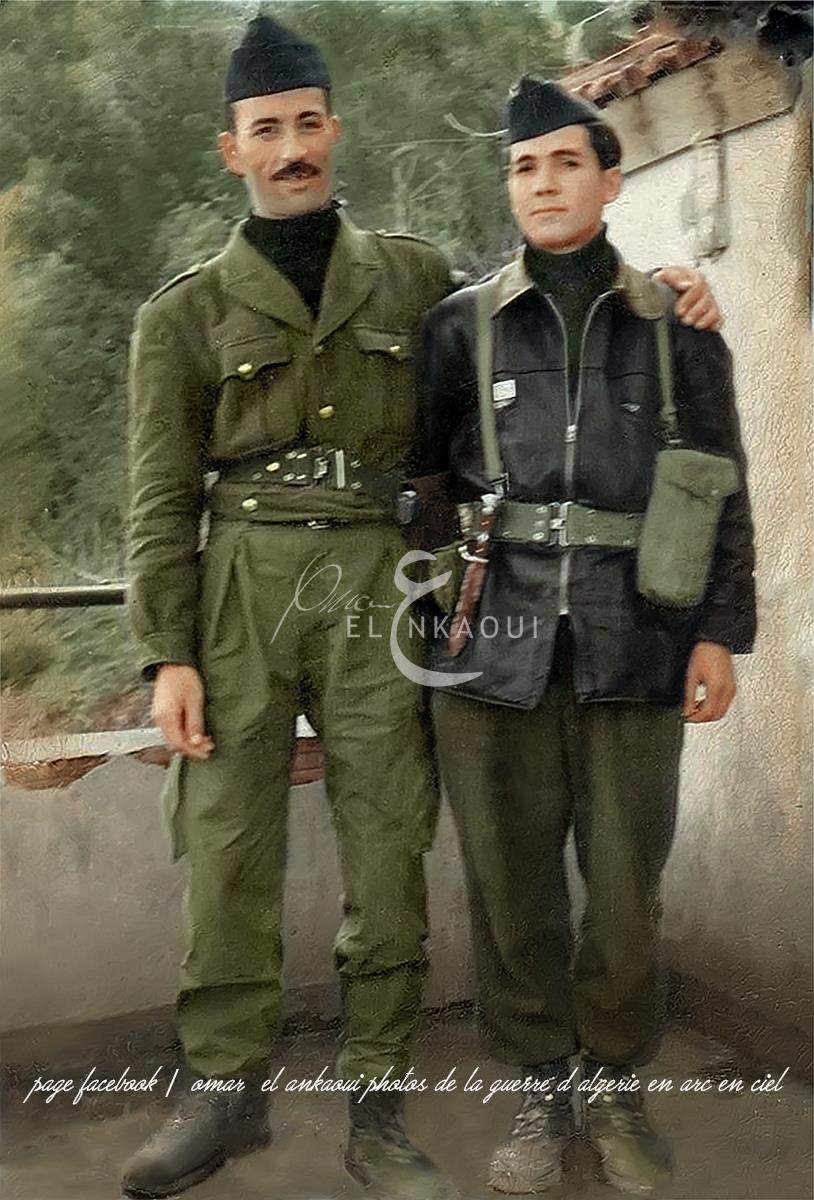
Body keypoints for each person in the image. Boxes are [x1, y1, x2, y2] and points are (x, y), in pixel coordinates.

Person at [123, 12, 723, 1196]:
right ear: (230, 148)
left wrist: (661, 284)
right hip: (239, 588)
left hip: (379, 586)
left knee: (389, 856)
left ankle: (379, 1114)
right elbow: (156, 499)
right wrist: (165, 654)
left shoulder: (412, 277)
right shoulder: (181, 316)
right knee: (225, 854)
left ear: (332, 130)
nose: (291, 147)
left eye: (306, 124)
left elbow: (539, 300)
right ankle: (225, 1099)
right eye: (265, 131)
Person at [416, 78, 756, 1196]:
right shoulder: (460, 326)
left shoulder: (675, 325)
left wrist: (719, 636)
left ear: (610, 182)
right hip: (490, 650)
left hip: (633, 642)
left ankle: (613, 1086)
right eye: (524, 167)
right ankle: (537, 1090)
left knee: (621, 886)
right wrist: (427, 635)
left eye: (566, 163)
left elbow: (721, 487)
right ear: (508, 187)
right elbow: (421, 495)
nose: (544, 183)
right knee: (510, 888)